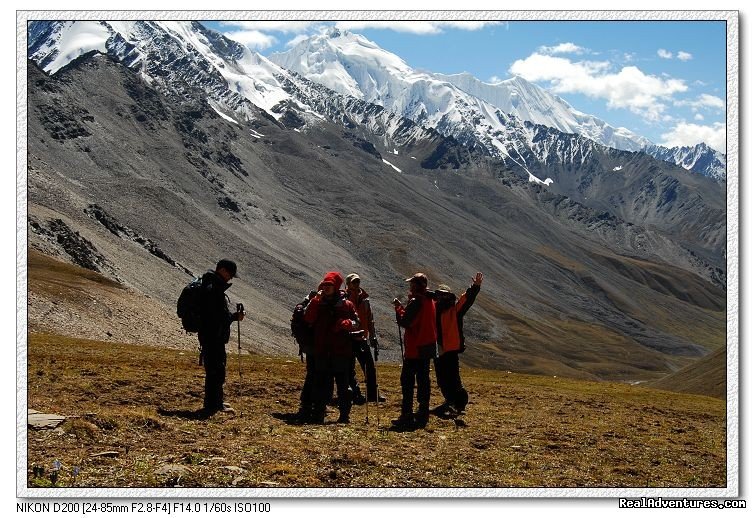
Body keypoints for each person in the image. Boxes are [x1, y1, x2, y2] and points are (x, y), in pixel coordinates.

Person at [304, 272, 360, 424]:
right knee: (321, 383)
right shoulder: (317, 302)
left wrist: (348, 324)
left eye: (329, 285)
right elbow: (308, 318)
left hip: (340, 351)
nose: (326, 288)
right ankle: (319, 413)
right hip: (322, 350)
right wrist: (315, 302)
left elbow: (357, 322)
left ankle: (344, 415)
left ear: (335, 287)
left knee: (343, 384)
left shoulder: (346, 305)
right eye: (325, 285)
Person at [198, 259, 245, 416]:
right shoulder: (213, 288)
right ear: (223, 270)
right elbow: (217, 316)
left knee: (216, 370)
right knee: (216, 371)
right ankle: (213, 404)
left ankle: (215, 401)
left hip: (210, 335)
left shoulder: (209, 283)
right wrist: (234, 317)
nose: (230, 277)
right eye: (230, 274)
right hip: (213, 336)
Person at [432, 272, 483, 416]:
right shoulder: (433, 310)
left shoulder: (454, 310)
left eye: (444, 295)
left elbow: (466, 299)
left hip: (450, 350)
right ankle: (449, 402)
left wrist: (475, 286)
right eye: (439, 295)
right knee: (442, 379)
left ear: (449, 297)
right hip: (438, 350)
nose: (441, 297)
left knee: (453, 379)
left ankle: (459, 404)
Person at [393, 272, 437, 429]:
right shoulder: (430, 299)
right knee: (424, 379)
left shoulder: (416, 301)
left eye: (412, 283)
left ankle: (406, 414)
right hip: (428, 346)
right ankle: (423, 410)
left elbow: (406, 322)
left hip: (415, 348)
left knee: (407, 381)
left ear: (415, 286)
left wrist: (398, 308)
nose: (410, 286)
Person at [345, 273, 385, 404]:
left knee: (369, 367)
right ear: (348, 284)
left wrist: (373, 336)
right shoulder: (344, 299)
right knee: (349, 368)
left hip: (362, 338)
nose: (356, 284)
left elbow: (370, 320)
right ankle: (354, 393)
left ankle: (372, 394)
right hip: (348, 338)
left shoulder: (365, 300)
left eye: (357, 281)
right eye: (353, 282)